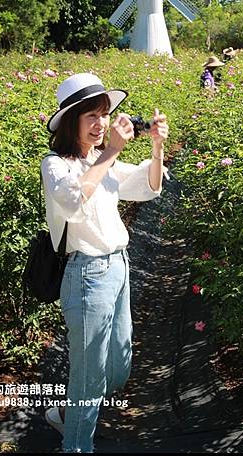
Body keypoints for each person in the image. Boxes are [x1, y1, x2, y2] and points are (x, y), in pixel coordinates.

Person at [41, 72, 169, 453]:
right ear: (70, 122)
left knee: (118, 367)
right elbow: (72, 200)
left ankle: (65, 416)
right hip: (86, 276)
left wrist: (158, 147)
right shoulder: (56, 165)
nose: (100, 124)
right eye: (90, 116)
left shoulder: (102, 160)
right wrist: (113, 151)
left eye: (103, 114)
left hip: (119, 267)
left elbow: (145, 186)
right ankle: (77, 445)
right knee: (88, 376)